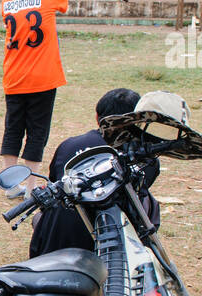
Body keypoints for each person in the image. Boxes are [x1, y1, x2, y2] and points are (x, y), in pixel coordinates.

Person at [29, 88, 161, 258]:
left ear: (98, 118)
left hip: (49, 248)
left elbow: (54, 183)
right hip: (108, 250)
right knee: (149, 203)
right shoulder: (146, 158)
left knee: (43, 214)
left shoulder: (69, 145)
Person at [0, 0, 69, 197]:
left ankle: (10, 185)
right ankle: (31, 186)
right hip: (42, 77)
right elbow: (63, 3)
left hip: (14, 76)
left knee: (13, 129)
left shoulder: (7, 0)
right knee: (37, 131)